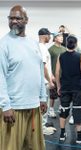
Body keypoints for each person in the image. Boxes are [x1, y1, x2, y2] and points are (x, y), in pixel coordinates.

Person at [0, 5, 47, 150]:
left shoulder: (33, 43)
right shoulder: (4, 44)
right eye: (11, 18)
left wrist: (43, 97)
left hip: (33, 108)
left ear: (26, 20)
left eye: (18, 18)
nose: (14, 21)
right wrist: (5, 105)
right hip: (14, 109)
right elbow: (0, 76)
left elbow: (39, 71)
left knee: (33, 147)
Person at [55, 35, 81, 143]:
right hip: (77, 88)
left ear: (66, 43)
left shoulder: (61, 56)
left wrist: (58, 86)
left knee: (63, 110)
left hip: (65, 87)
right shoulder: (80, 56)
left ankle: (62, 134)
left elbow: (57, 73)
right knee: (77, 109)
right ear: (76, 44)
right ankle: (79, 136)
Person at [38, 28, 57, 135]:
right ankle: (42, 129)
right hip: (44, 82)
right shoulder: (42, 48)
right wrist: (49, 81)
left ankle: (41, 125)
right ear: (45, 36)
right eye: (49, 35)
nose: (50, 37)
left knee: (43, 105)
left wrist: (52, 76)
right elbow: (43, 67)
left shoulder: (41, 47)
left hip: (44, 80)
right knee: (44, 105)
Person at [48, 32, 66, 118]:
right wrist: (51, 75)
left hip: (63, 75)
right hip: (54, 75)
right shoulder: (51, 49)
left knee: (62, 93)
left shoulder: (64, 49)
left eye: (62, 36)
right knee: (53, 94)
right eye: (59, 36)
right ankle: (51, 109)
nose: (62, 38)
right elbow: (48, 64)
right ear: (55, 38)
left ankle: (61, 107)